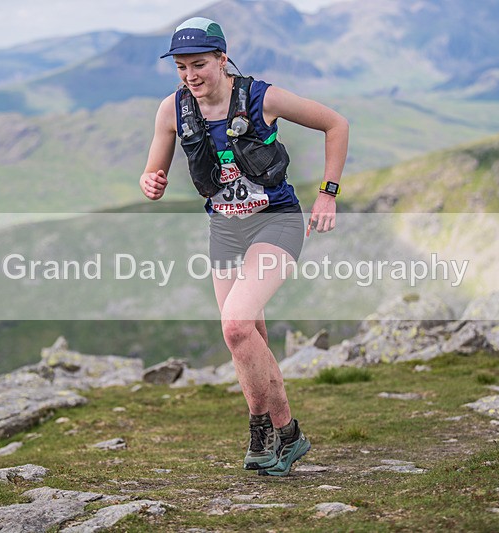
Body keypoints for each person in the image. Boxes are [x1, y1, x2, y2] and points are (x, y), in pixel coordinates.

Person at [140, 17, 348, 476]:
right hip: (225, 230)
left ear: (221, 58)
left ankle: (270, 433)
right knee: (247, 339)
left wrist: (328, 192)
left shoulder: (260, 97)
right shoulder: (171, 110)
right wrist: (150, 180)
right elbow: (153, 169)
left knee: (235, 327)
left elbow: (336, 123)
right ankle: (281, 435)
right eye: (181, 68)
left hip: (276, 220)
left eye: (199, 65)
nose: (190, 76)